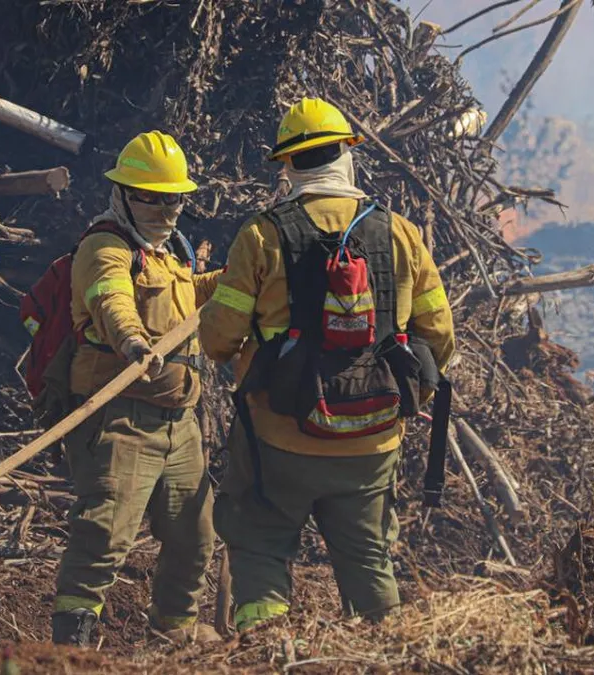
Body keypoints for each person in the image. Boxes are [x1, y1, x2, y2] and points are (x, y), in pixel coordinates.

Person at [199, 98, 456, 632]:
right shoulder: (402, 233)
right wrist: (391, 401)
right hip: (372, 443)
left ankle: (265, 653)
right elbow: (440, 337)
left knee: (261, 547)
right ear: (348, 153)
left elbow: (219, 340)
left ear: (287, 166)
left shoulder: (262, 236)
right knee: (367, 558)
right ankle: (385, 657)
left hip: (279, 440)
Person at [52, 131, 222, 646]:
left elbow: (194, 297)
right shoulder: (105, 246)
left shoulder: (170, 256)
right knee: (103, 536)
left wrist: (243, 278)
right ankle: (71, 650)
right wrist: (130, 342)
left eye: (175, 198)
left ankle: (173, 637)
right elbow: (110, 300)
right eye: (154, 197)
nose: (168, 209)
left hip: (180, 424)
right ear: (125, 194)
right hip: (122, 421)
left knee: (195, 538)